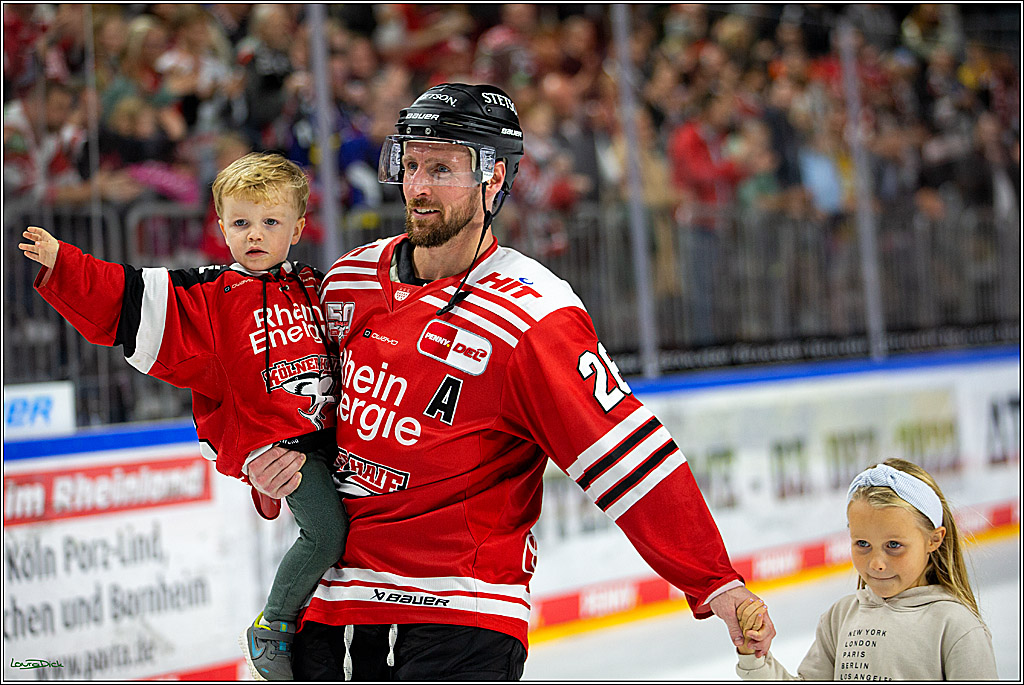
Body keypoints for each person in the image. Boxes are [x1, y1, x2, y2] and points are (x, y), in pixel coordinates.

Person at [246, 83, 775, 680]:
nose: (418, 186)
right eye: (411, 163)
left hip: (460, 615)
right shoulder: (347, 282)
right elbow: (297, 418)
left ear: (494, 178)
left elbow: (630, 459)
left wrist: (714, 581)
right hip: (334, 614)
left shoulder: (534, 315)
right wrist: (271, 474)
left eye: (442, 168)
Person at [18, 152, 348, 682]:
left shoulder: (315, 284)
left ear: (298, 227)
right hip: (278, 448)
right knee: (326, 533)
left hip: (330, 436)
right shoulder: (210, 294)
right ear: (221, 226)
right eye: (240, 223)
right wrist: (65, 261)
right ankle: (275, 623)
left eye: (270, 222)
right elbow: (127, 294)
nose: (254, 235)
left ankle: (328, 624)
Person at [734, 458, 998, 680]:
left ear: (934, 540)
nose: (876, 563)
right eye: (863, 544)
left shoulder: (955, 626)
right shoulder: (839, 618)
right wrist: (754, 659)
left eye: (894, 545)